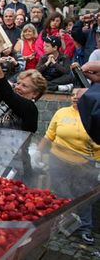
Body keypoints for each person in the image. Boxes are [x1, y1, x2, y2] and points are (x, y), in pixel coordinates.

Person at [44, 88, 100, 244]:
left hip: (85, 164)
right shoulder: (61, 113)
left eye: (80, 94)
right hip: (59, 161)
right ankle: (63, 225)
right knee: (60, 194)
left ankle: (85, 229)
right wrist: (40, 153)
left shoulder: (93, 114)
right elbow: (49, 135)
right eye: (73, 94)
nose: (75, 97)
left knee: (83, 197)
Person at [0, 52, 47, 133]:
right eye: (18, 83)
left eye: (24, 86)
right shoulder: (7, 102)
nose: (18, 87)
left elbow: (7, 93)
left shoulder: (30, 109)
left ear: (35, 93)